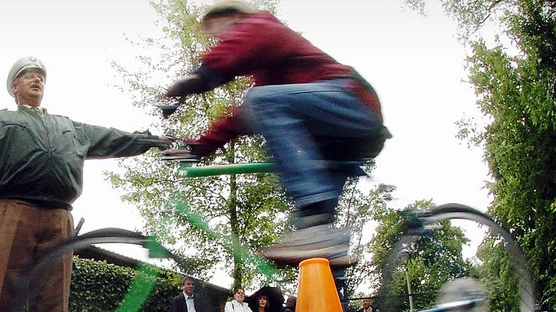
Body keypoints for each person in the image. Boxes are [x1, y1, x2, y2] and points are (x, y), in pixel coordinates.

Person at [163, 0, 388, 266]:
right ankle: (328, 260)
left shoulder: (262, 25)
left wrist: (197, 78)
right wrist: (198, 148)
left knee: (261, 101)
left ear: (234, 17)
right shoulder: (271, 72)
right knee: (316, 241)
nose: (218, 38)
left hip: (352, 100)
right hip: (340, 143)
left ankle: (313, 207)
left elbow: (233, 57)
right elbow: (241, 119)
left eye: (217, 30)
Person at [0, 56, 171, 312]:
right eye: (29, 75)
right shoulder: (0, 121)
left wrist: (150, 140)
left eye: (41, 77)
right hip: (12, 213)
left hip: (59, 218)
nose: (37, 80)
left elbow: (111, 138)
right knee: (2, 294)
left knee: (53, 299)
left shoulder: (68, 126)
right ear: (14, 86)